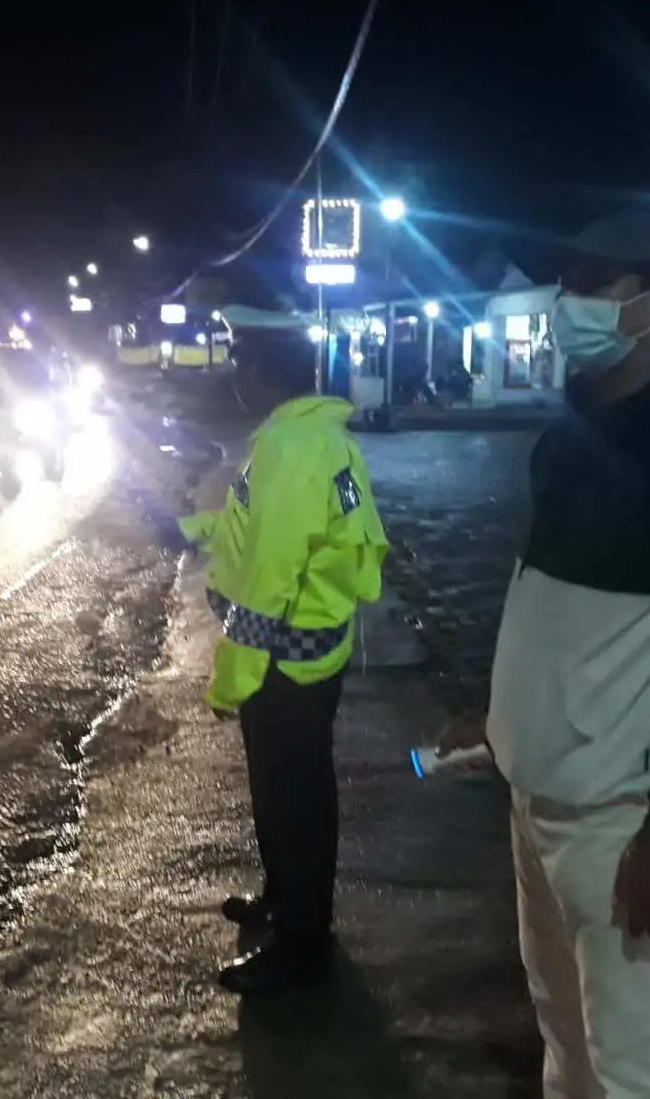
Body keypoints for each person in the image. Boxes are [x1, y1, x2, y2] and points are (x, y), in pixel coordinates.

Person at [439, 212, 650, 1098]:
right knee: (568, 1042)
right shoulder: (568, 439)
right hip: (536, 803)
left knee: (644, 1067)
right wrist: (502, 719)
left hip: (620, 823)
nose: (568, 299)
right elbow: (551, 610)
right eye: (567, 278)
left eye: (595, 282)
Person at [178, 313, 390, 994]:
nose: (235, 377)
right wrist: (189, 528)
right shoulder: (317, 436)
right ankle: (285, 898)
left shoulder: (290, 447)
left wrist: (231, 682)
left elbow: (270, 576)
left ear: (260, 374)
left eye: (241, 364)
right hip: (312, 648)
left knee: (292, 797)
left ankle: (301, 942)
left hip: (282, 660)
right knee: (292, 791)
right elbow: (262, 525)